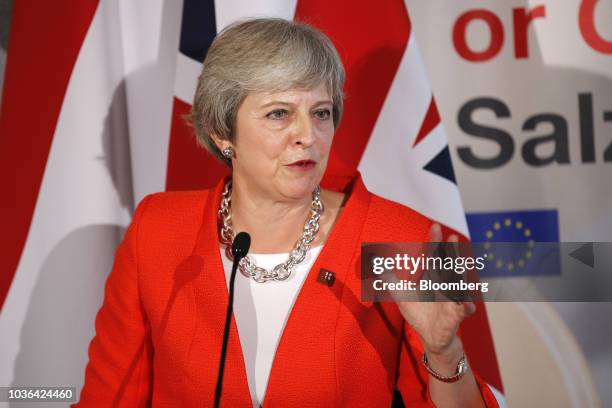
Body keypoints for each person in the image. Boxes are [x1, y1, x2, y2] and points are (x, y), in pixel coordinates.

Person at [75, 18, 498, 407]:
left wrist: (445, 352)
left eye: (321, 113)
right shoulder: (159, 230)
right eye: (280, 114)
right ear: (223, 132)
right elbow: (108, 397)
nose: (307, 136)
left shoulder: (399, 235)